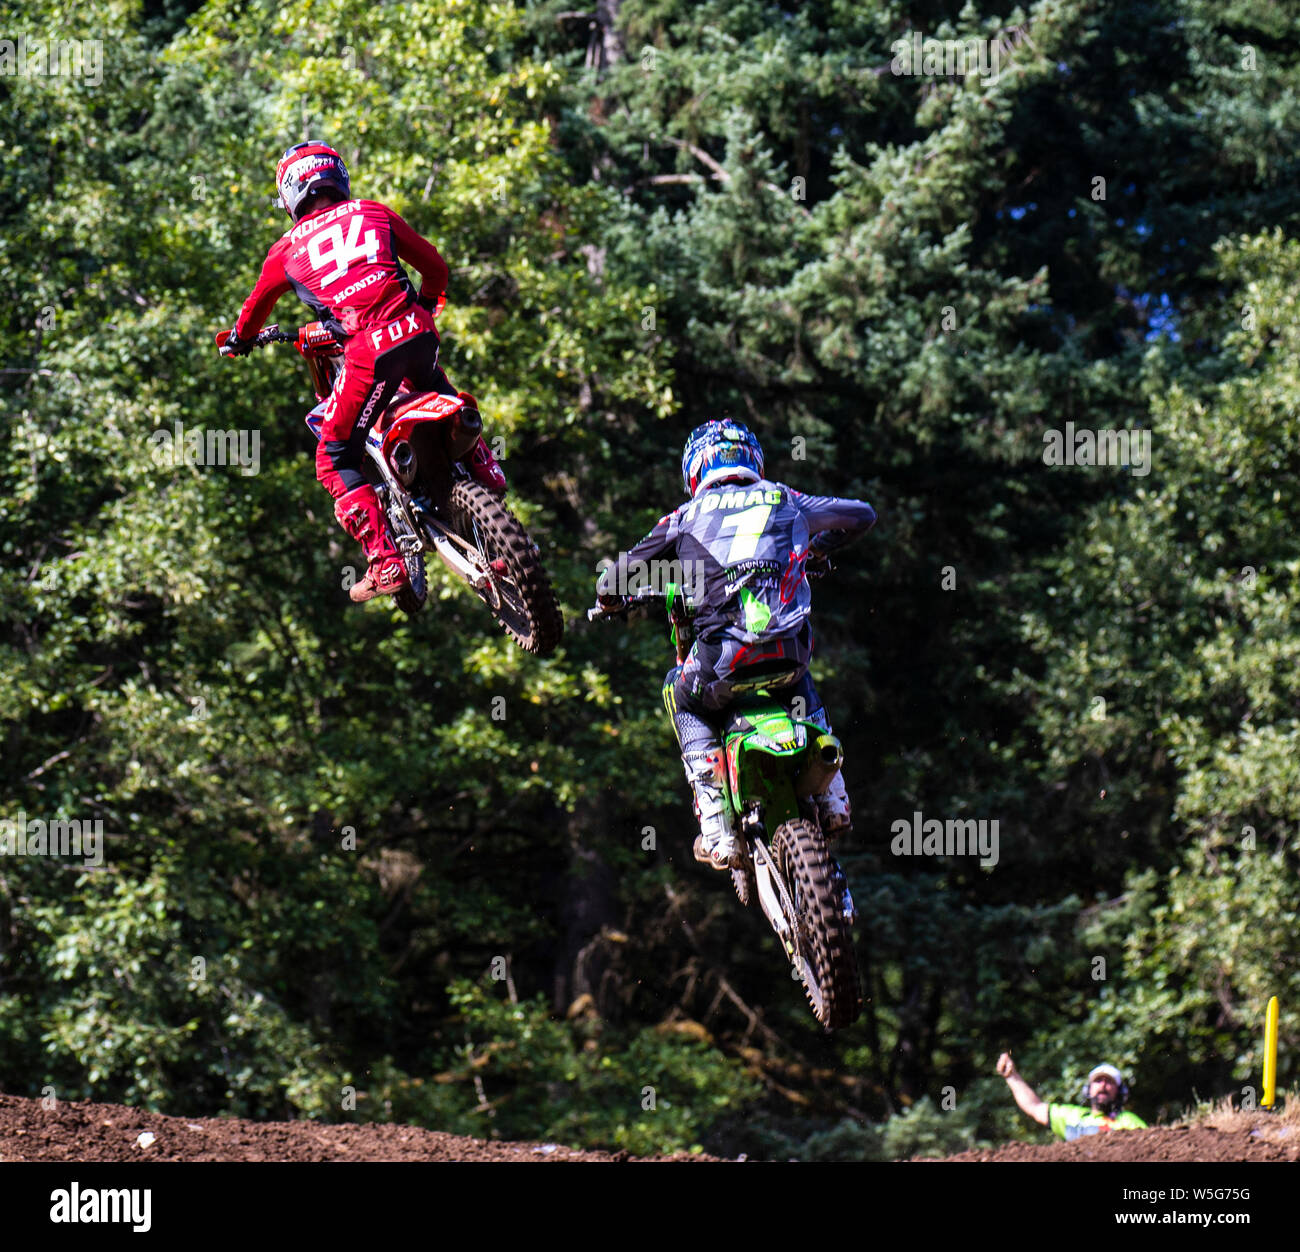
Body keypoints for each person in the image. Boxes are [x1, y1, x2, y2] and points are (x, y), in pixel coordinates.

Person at [220, 141, 505, 603]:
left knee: (333, 453)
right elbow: (435, 267)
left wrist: (237, 339)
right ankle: (490, 488)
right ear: (338, 177)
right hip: (419, 333)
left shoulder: (285, 251)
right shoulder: (373, 212)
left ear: (292, 195)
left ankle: (383, 561)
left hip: (369, 354)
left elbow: (252, 314)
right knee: (443, 392)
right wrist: (425, 307)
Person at [596, 420, 877, 869]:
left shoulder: (683, 518)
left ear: (695, 469)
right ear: (753, 460)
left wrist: (610, 599)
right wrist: (818, 549)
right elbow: (861, 515)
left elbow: (613, 579)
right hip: (790, 653)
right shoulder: (786, 498)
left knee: (679, 692)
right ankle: (834, 792)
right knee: (798, 677)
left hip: (723, 663)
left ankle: (714, 816)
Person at [996, 1053, 1148, 1140]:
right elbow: (1034, 1107)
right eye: (1098, 1081)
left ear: (1120, 1091)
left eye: (1109, 1082)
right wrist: (1011, 1076)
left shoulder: (1129, 1121)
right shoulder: (1074, 1118)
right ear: (1088, 1089)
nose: (1103, 1085)